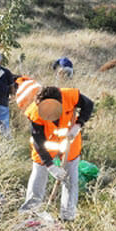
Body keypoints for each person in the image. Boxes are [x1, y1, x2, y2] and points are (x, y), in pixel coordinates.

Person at [19, 85, 94, 221]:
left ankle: (68, 216)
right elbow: (38, 141)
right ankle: (30, 213)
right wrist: (50, 166)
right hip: (46, 146)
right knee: (38, 175)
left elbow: (89, 105)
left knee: (71, 179)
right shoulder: (35, 112)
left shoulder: (70, 96)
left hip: (70, 141)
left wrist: (78, 124)